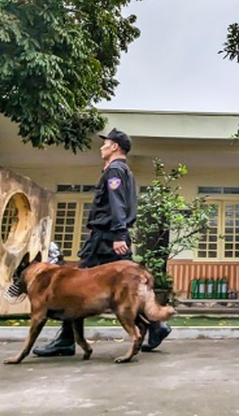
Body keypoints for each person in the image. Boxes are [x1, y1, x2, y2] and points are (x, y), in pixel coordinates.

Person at [34, 128, 172, 357]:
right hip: (110, 237)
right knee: (127, 284)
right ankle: (157, 327)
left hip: (106, 239)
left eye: (105, 143)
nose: (101, 147)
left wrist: (118, 234)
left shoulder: (115, 171)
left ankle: (66, 341)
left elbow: (117, 205)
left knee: (73, 286)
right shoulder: (123, 171)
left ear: (115, 146)